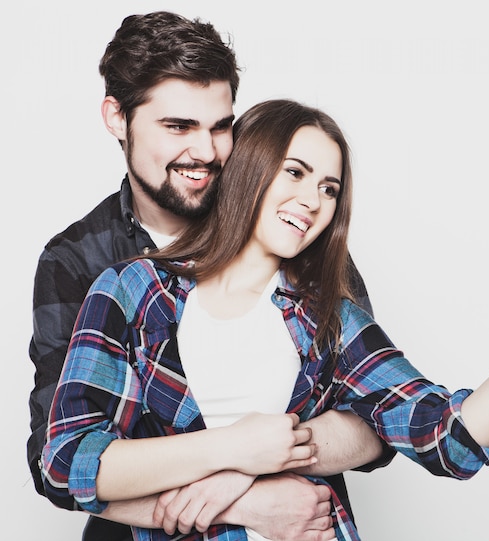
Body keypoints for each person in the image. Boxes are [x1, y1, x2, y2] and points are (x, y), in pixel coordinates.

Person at [41, 99, 489, 541]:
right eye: (296, 173)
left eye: (329, 188)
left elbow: (451, 437)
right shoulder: (132, 291)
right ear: (249, 168)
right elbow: (70, 460)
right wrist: (235, 454)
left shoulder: (328, 314)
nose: (312, 200)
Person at [27, 11, 387, 541]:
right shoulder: (79, 261)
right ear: (116, 118)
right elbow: (57, 465)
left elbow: (376, 419)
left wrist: (256, 460)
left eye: (221, 127)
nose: (205, 151)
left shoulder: (289, 223)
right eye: (178, 126)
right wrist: (246, 499)